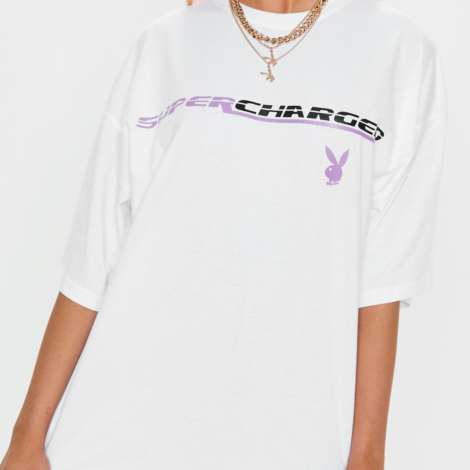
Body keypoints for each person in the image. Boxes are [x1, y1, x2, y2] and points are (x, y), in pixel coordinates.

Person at [0, 1, 447, 469]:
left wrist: (368, 455)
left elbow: (384, 281)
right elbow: (93, 257)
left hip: (295, 435)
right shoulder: (166, 43)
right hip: (119, 430)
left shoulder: (400, 51)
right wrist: (26, 438)